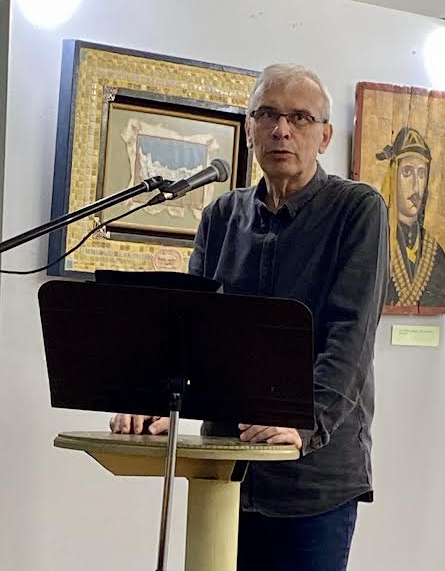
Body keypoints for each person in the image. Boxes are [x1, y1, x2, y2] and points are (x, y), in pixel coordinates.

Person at [111, 64, 389, 571]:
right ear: (249, 129)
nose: (282, 130)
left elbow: (350, 334)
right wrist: (154, 401)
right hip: (224, 469)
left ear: (325, 136)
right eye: (268, 115)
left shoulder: (357, 209)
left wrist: (304, 422)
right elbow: (190, 329)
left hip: (311, 476)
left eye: (300, 118)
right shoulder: (222, 215)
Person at [376, 126, 445, 308]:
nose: (416, 186)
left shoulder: (436, 255)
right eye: (407, 172)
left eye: (422, 174)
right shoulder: (377, 241)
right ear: (393, 177)